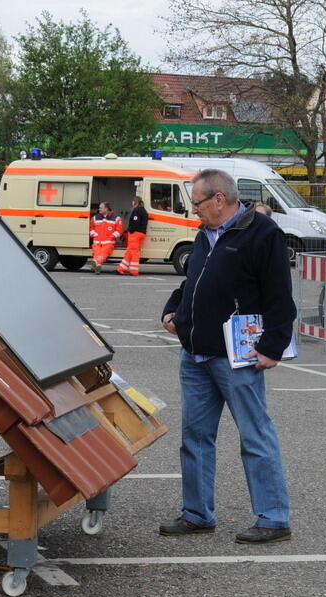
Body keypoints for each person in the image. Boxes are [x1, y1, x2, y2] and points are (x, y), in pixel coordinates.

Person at [160, 168, 295, 544]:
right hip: (195, 354)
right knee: (195, 437)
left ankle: (273, 518)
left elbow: (281, 297)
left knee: (255, 436)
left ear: (219, 199)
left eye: (198, 203)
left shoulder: (263, 234)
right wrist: (173, 311)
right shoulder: (206, 235)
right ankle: (197, 513)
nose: (194, 211)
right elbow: (194, 283)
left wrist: (272, 347)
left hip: (237, 357)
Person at [117, 196, 147, 276]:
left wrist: (130, 230)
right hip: (142, 233)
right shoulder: (144, 210)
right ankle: (121, 268)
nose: (132, 203)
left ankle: (133, 271)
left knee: (134, 253)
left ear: (135, 202)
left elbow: (135, 222)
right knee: (130, 251)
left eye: (133, 201)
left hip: (135, 234)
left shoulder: (137, 210)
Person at [89, 202, 122, 274]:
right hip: (97, 242)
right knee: (97, 253)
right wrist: (94, 234)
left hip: (109, 243)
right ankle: (97, 265)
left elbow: (119, 231)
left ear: (106, 209)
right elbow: (91, 229)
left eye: (101, 207)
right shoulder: (95, 218)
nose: (99, 209)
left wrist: (111, 237)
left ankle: (97, 264)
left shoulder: (116, 218)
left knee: (103, 253)